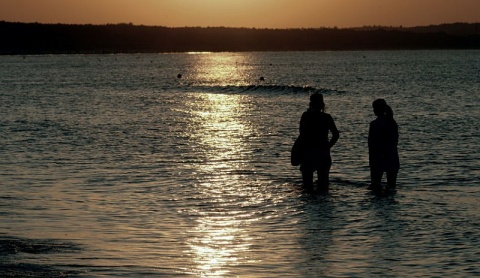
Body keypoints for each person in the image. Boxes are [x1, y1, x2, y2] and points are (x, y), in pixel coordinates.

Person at [297, 93, 339, 191]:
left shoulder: (306, 116)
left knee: (307, 187)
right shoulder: (327, 117)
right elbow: (336, 135)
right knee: (323, 186)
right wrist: (328, 146)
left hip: (308, 153)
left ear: (310, 103)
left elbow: (301, 134)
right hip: (323, 153)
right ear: (322, 104)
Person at [368, 99, 400, 191]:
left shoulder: (374, 124)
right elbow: (395, 141)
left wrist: (372, 159)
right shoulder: (392, 122)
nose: (373, 110)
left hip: (377, 157)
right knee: (392, 186)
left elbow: (371, 144)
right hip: (392, 156)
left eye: (374, 108)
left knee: (375, 186)